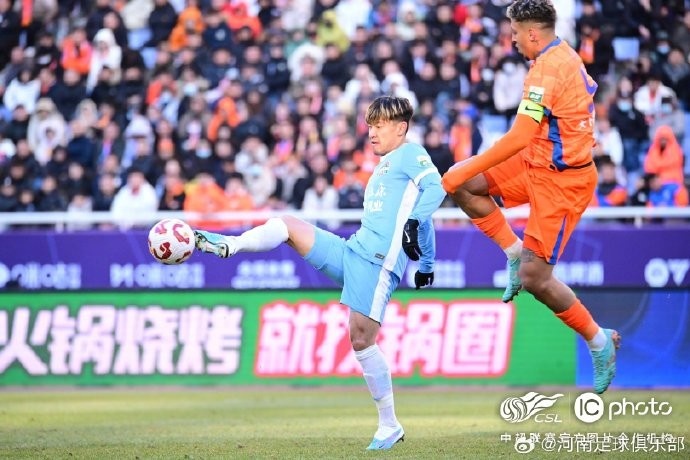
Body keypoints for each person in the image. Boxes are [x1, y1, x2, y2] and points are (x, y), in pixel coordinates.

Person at [194, 95, 446, 450]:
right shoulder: (384, 166)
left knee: (361, 339)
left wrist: (427, 261)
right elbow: (419, 214)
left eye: (380, 125)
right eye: (370, 125)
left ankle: (389, 425)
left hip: (378, 263)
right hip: (352, 251)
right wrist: (425, 255)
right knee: (287, 225)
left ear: (401, 128)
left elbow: (436, 189)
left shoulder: (410, 153)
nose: (372, 133)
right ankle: (230, 245)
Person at [440, 0, 620, 395]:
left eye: (516, 33)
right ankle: (513, 250)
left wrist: (463, 167)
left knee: (535, 279)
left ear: (532, 33)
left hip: (562, 181)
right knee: (464, 186)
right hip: (535, 162)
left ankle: (598, 340)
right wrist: (463, 174)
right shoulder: (558, 56)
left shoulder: (548, 69)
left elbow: (520, 135)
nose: (513, 41)